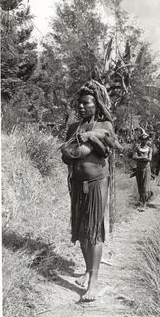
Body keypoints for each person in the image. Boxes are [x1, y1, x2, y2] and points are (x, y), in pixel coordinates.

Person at [60, 79, 121, 301]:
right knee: (82, 231)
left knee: (93, 232)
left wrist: (89, 140)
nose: (82, 106)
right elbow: (66, 155)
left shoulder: (105, 126)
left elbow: (107, 148)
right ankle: (87, 270)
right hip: (77, 185)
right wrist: (78, 147)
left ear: (97, 104)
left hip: (96, 184)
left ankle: (93, 282)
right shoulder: (74, 127)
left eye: (87, 102)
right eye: (80, 103)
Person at [132, 130, 152, 210]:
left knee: (144, 187)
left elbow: (149, 159)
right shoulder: (137, 148)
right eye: (142, 139)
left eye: (145, 139)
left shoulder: (149, 149)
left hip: (146, 169)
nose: (144, 140)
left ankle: (144, 204)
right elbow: (134, 157)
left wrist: (139, 158)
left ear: (147, 140)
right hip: (139, 169)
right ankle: (141, 201)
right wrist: (143, 158)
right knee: (139, 186)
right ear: (140, 140)